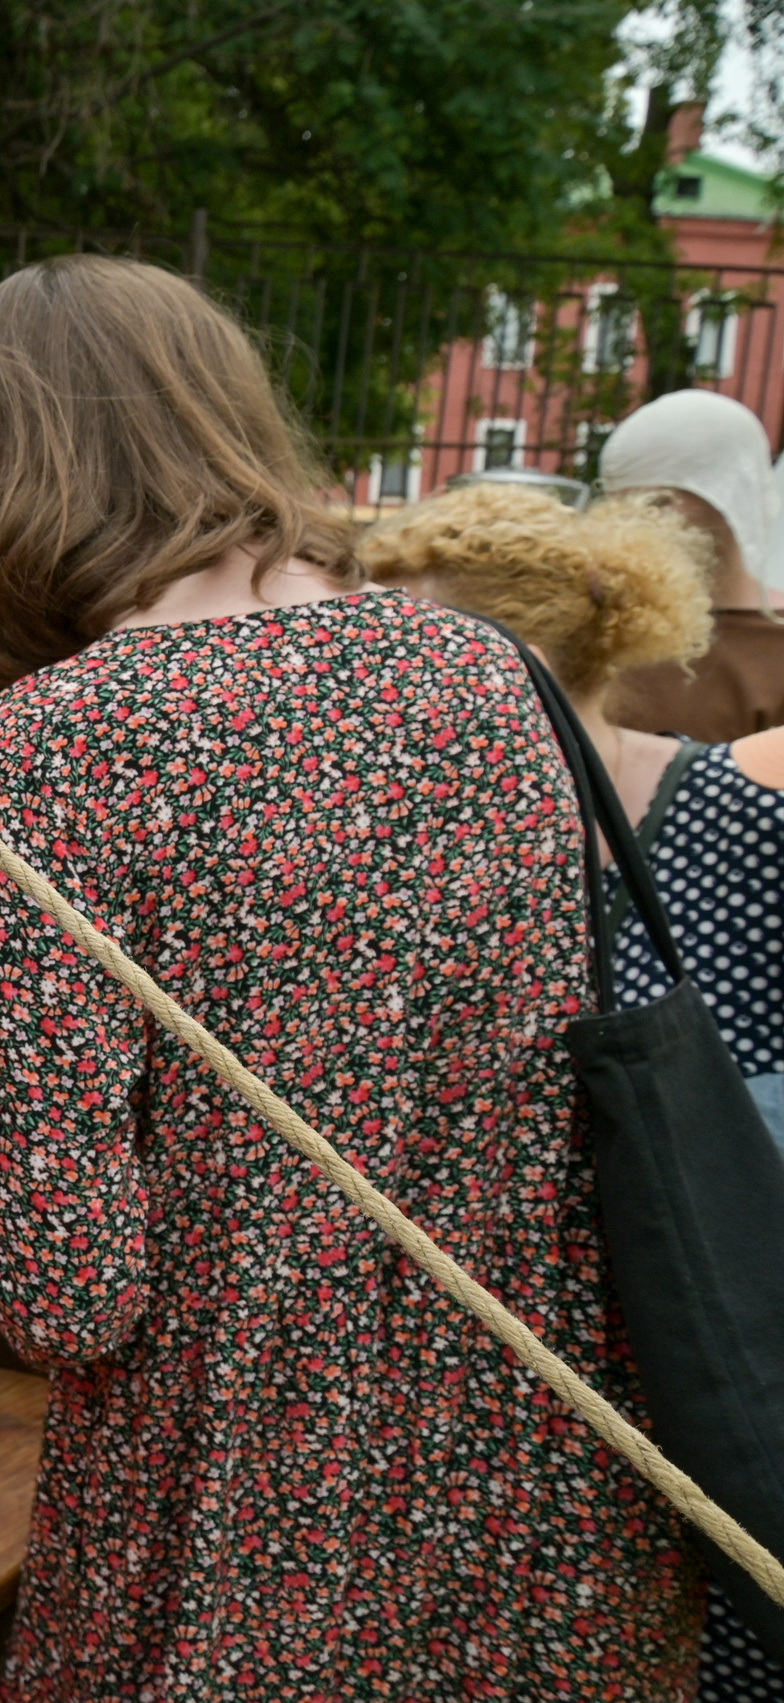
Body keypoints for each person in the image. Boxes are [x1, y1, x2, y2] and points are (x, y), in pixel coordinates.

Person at [0, 255, 698, 1698]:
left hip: (253, 1528)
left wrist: (19, 1100)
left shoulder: (48, 747)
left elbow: (69, 1289)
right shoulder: (483, 669)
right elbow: (384, 1011)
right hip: (533, 1497)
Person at [364, 478, 784, 1703]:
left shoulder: (740, 828)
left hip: (703, 1380)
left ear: (519, 676)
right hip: (509, 1422)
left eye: (407, 675)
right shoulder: (425, 858)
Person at [598, 390, 784, 740]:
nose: (635, 522)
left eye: (659, 501)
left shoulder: (774, 640)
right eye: (618, 504)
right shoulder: (597, 628)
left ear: (731, 497)